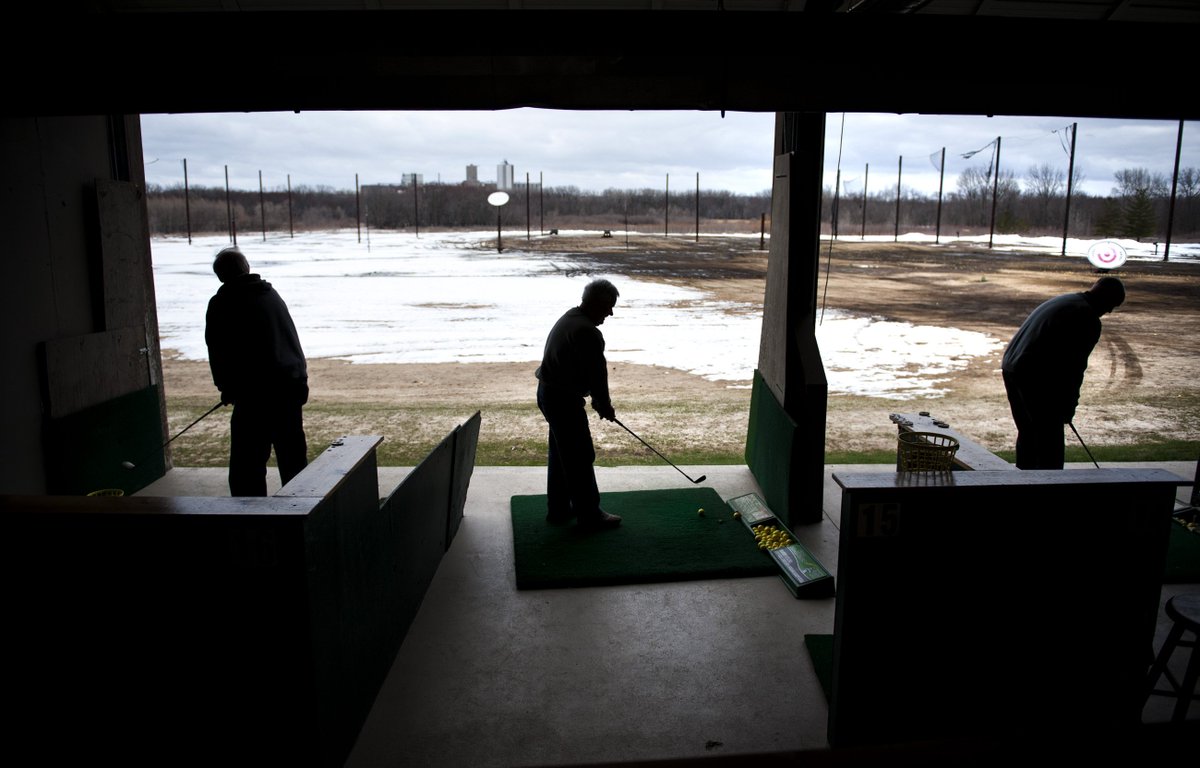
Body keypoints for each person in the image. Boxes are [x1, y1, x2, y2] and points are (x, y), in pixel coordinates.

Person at [205, 246, 310, 496]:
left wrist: (227, 388)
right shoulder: (270, 294)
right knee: (294, 463)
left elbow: (218, 351)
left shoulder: (223, 303)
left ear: (221, 275)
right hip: (290, 388)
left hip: (255, 397)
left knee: (246, 469)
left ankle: (250, 518)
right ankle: (304, 513)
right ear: (246, 268)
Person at [1001, 275, 1125, 470]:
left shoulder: (1068, 300)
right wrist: (1068, 406)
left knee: (1028, 432)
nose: (1109, 311)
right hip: (1031, 373)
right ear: (1105, 297)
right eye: (1112, 305)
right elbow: (1074, 367)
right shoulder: (1087, 317)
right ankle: (1053, 484)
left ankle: (1024, 479)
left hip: (1013, 367)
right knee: (1049, 437)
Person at [535, 279, 622, 530]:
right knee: (580, 456)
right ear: (595, 303)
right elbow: (597, 375)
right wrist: (603, 405)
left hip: (549, 393)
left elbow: (586, 371)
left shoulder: (570, 317)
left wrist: (599, 402)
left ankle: (559, 508)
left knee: (562, 454)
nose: (610, 313)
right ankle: (590, 515)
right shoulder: (588, 332)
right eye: (608, 306)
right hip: (561, 399)